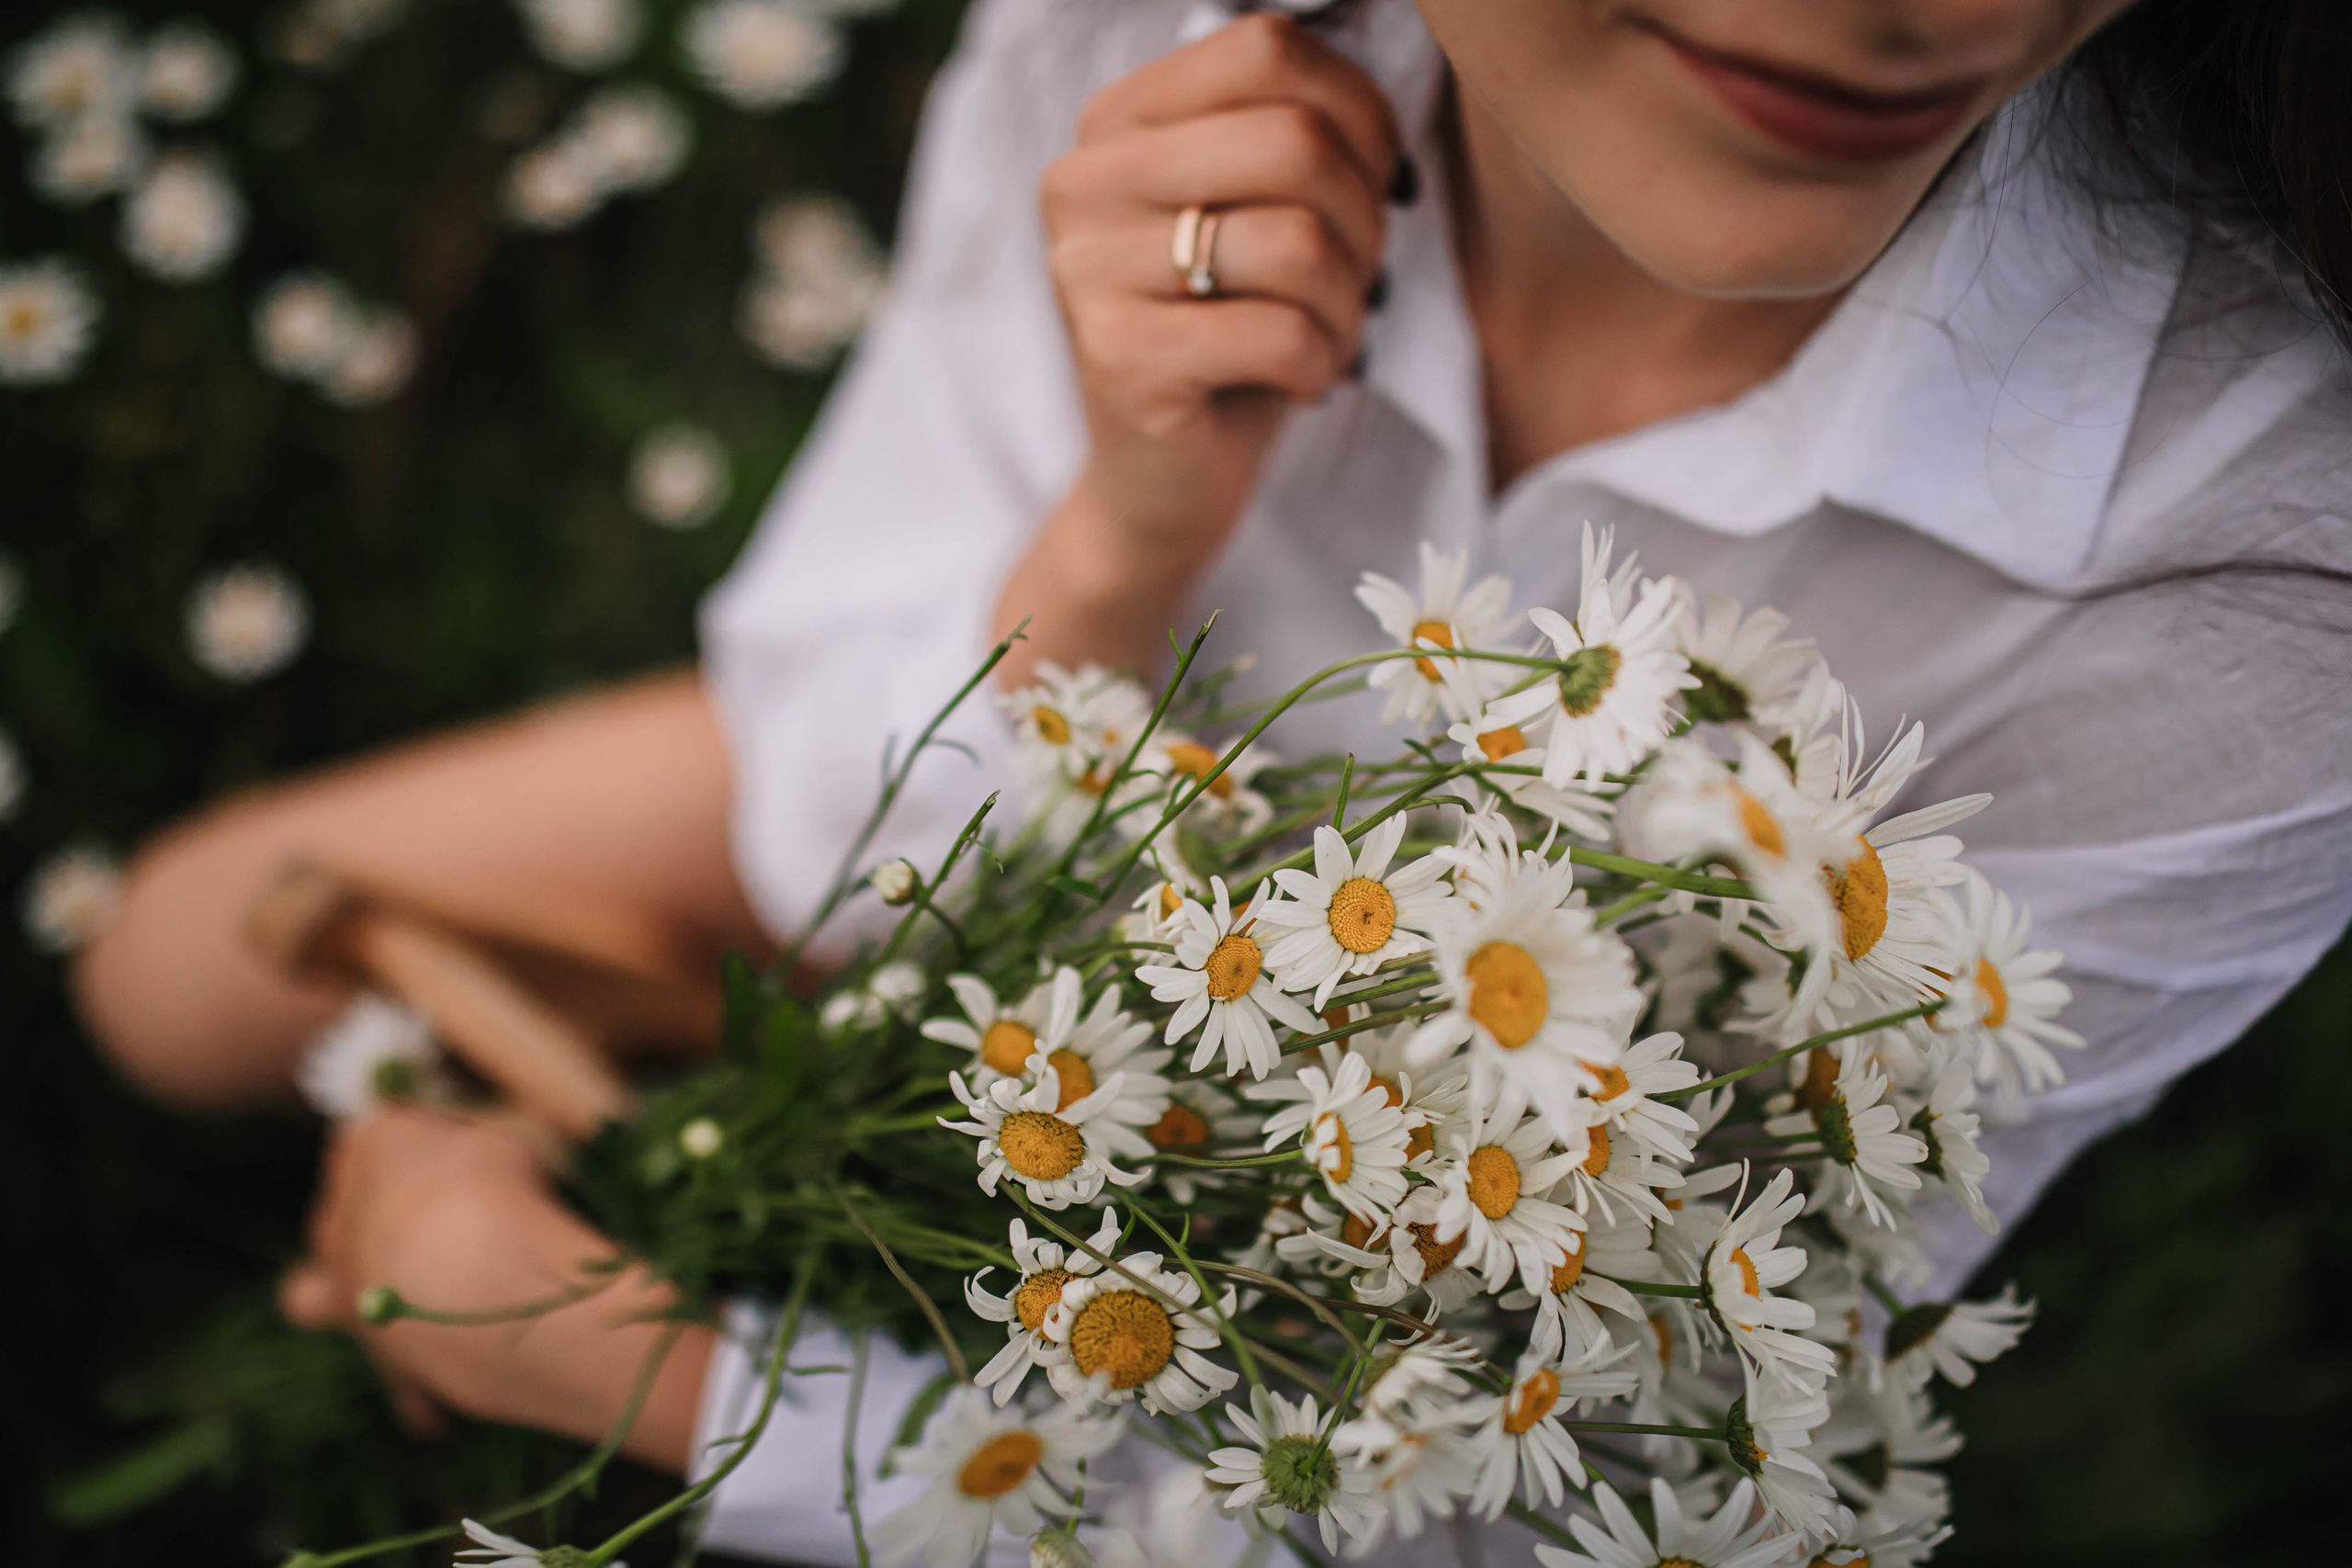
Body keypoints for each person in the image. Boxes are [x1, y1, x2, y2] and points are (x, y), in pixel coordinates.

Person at [73, 0, 2352, 1561]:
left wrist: (659, 1371)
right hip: (1040, 757)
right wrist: (1121, 541)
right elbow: (846, 722)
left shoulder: (2268, 569)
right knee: (170, 970)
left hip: (1355, 1283)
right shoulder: (1189, 49)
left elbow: (1537, 1481)